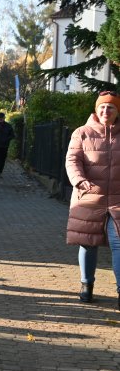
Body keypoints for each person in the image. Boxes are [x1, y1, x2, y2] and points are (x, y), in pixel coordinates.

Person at [65, 91, 120, 305]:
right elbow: (72, 160)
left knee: (118, 243)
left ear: (117, 111)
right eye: (102, 107)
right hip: (89, 196)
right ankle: (86, 285)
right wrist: (79, 180)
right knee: (88, 243)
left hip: (117, 199)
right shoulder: (82, 133)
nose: (106, 111)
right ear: (96, 110)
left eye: (111, 107)